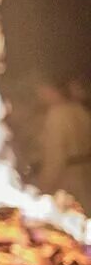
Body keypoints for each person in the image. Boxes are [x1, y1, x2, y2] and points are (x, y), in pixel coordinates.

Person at [36, 77, 91, 207]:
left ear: (52, 90)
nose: (40, 96)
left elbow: (55, 157)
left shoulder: (56, 114)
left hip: (70, 182)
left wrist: (43, 187)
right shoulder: (80, 110)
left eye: (42, 91)